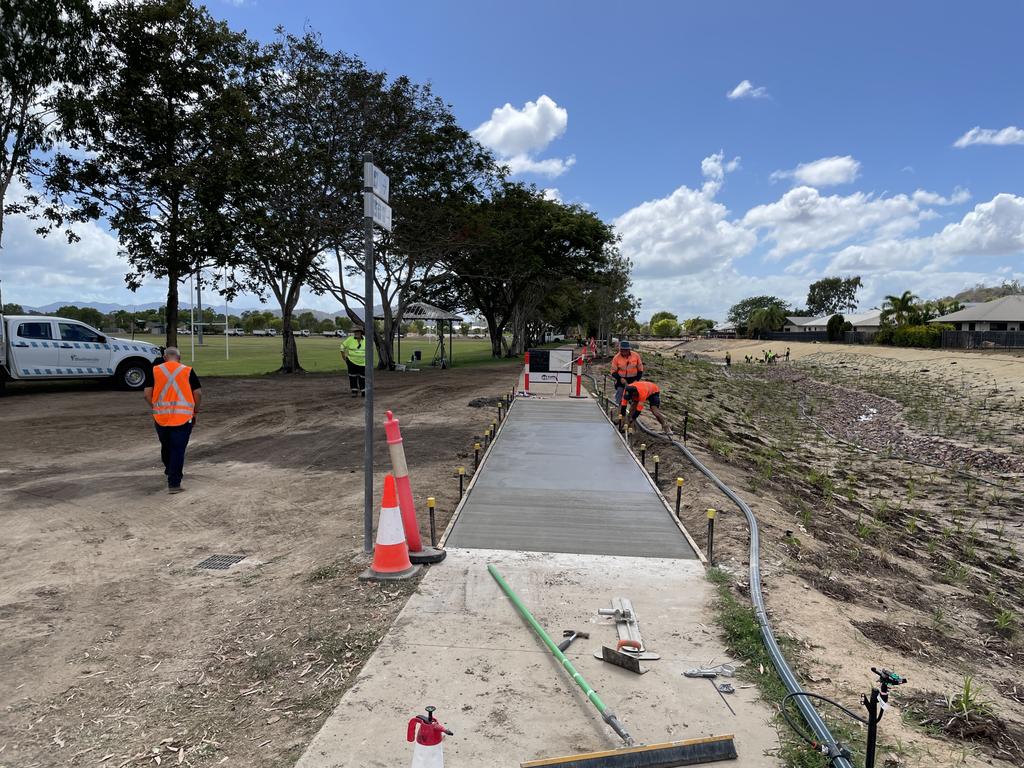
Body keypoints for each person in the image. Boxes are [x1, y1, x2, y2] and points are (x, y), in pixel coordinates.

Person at [144, 346, 201, 494]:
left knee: (166, 445)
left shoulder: (155, 370)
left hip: (161, 417)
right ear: (179, 358)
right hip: (182, 417)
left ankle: (170, 470)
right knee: (178, 449)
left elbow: (146, 394)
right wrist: (195, 411)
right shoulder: (187, 370)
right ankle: (174, 483)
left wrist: (155, 406)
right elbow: (198, 393)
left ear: (164, 357)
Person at [610, 340, 643, 415]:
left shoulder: (636, 356)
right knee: (620, 394)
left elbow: (640, 370)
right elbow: (613, 371)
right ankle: (619, 411)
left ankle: (632, 414)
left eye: (625, 350)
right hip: (621, 379)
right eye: (622, 350)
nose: (623, 351)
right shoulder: (616, 358)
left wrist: (636, 380)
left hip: (633, 379)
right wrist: (620, 378)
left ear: (629, 349)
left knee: (634, 397)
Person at [341, 326, 367, 397]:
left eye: (357, 331)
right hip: (351, 362)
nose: (356, 333)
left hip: (363, 363)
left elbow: (370, 350)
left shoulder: (366, 340)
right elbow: (342, 347)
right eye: (355, 332)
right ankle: (354, 391)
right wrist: (344, 357)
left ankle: (363, 391)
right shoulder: (350, 339)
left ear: (361, 332)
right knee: (352, 377)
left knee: (363, 377)